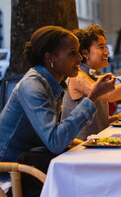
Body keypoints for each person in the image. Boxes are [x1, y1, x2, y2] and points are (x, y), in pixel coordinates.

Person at [0, 26, 115, 192]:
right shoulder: (32, 85)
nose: (80, 57)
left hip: (35, 164)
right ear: (50, 58)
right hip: (11, 176)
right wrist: (91, 98)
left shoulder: (54, 82)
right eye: (72, 53)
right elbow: (55, 141)